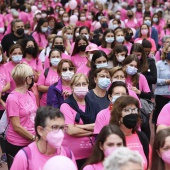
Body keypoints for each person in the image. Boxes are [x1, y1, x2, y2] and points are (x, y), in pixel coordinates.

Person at [10, 106, 76, 170]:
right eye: (55, 127)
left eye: (61, 128)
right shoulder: (24, 157)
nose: (60, 133)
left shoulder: (67, 154)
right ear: (40, 130)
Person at [60, 73, 100, 170]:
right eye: (78, 85)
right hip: (72, 156)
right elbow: (71, 131)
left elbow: (101, 127)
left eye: (83, 84)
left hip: (92, 155)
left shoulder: (94, 105)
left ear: (87, 85)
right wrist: (93, 130)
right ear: (72, 87)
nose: (81, 87)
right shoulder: (66, 106)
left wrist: (79, 127)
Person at [5, 64, 37, 169]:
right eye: (31, 76)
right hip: (17, 144)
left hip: (31, 141)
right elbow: (16, 126)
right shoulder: (13, 98)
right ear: (27, 79)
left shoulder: (30, 94)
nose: (33, 78)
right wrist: (33, 138)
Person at [109, 96, 150, 170]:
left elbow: (149, 164)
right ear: (118, 114)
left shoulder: (142, 137)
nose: (132, 113)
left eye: (134, 110)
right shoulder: (110, 138)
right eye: (127, 110)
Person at [153, 45, 170, 128]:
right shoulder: (159, 64)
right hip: (162, 96)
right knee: (160, 118)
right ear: (166, 52)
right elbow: (155, 80)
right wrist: (167, 81)